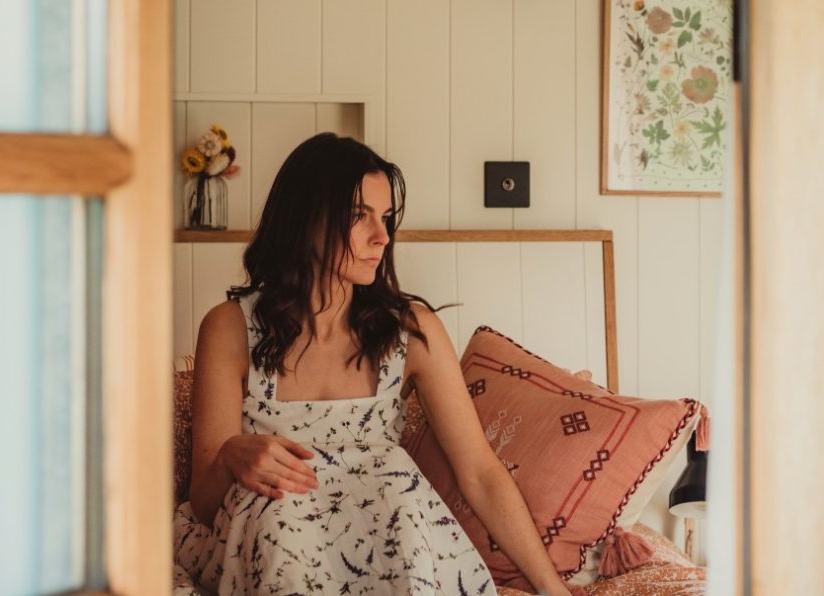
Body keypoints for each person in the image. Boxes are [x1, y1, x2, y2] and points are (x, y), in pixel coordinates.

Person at [174, 133, 582, 595]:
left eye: (386, 218)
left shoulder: (410, 332)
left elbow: (480, 473)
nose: (382, 237)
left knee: (401, 503)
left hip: (382, 523)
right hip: (275, 531)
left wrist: (552, 588)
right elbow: (206, 506)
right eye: (358, 217)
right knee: (280, 513)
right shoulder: (229, 329)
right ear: (305, 220)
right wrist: (231, 456)